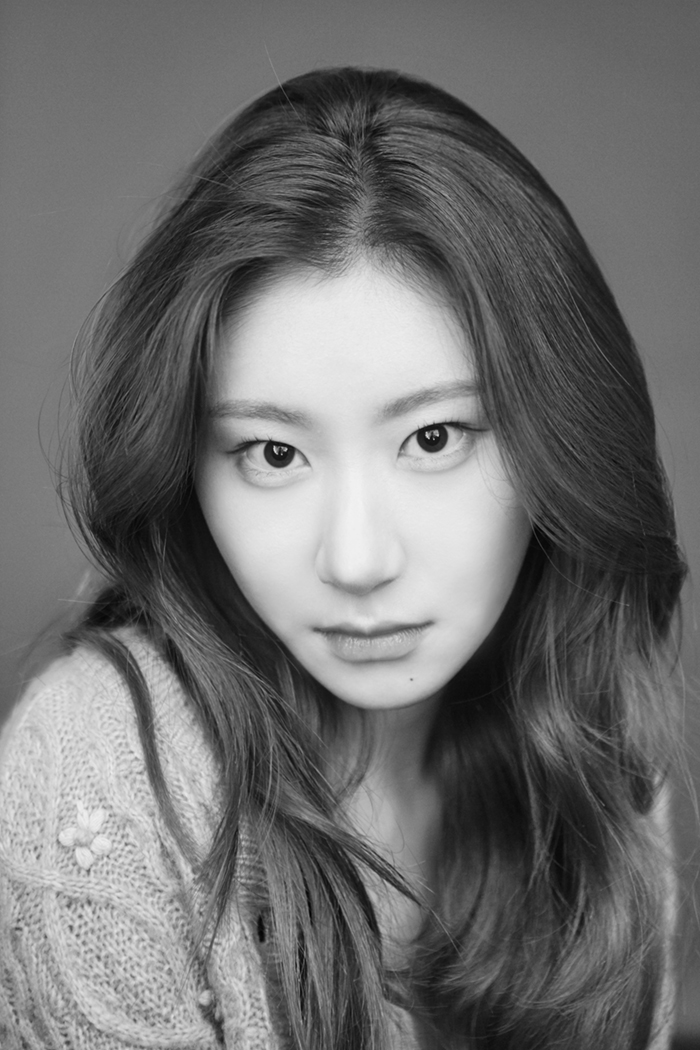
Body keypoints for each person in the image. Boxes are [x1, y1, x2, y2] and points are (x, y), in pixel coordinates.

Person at [0, 67, 686, 1050]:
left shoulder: (594, 734)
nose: (357, 559)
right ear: (186, 469)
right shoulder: (99, 767)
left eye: (435, 439)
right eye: (274, 454)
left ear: (558, 439)